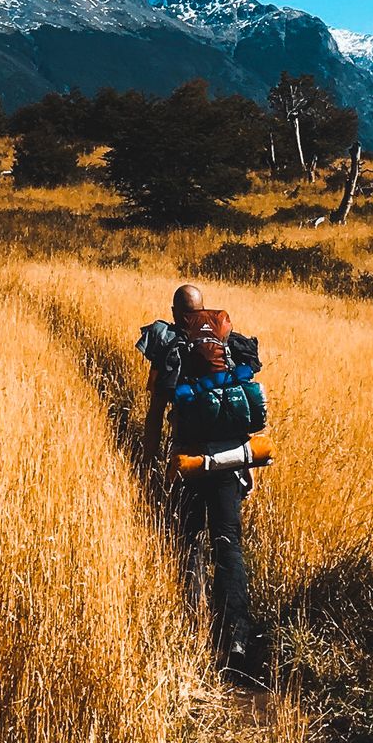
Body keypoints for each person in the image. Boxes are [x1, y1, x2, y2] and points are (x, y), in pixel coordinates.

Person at [137, 281, 266, 671]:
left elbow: (157, 410)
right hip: (230, 460)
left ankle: (194, 630)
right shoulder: (226, 343)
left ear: (177, 313)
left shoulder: (171, 347)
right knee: (228, 546)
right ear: (204, 310)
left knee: (190, 542)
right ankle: (237, 638)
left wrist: (147, 462)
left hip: (189, 461)